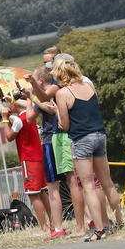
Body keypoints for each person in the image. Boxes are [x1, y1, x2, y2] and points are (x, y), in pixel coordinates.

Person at [52, 56, 124, 240]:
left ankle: (99, 230)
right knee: (107, 183)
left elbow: (66, 125)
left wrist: (59, 117)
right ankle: (119, 220)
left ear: (60, 74)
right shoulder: (90, 87)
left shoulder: (62, 93)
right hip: (100, 135)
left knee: (89, 186)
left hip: (82, 139)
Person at [29, 46, 88, 238]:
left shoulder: (59, 82)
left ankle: (77, 225)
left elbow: (45, 103)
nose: (48, 66)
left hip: (61, 134)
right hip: (58, 134)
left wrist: (31, 94)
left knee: (73, 181)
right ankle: (78, 223)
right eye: (45, 62)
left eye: (51, 61)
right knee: (74, 181)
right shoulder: (76, 81)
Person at [1, 96, 53, 238]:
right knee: (42, 191)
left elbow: (10, 136)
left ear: (15, 105)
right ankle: (53, 223)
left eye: (10, 105)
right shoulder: (29, 115)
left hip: (28, 159)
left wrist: (5, 118)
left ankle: (44, 227)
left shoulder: (19, 120)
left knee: (32, 193)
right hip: (38, 156)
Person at [25, 65, 66, 237]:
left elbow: (29, 117)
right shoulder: (58, 91)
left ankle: (57, 227)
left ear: (40, 81)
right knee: (75, 182)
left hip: (50, 140)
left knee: (52, 186)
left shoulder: (45, 94)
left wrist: (30, 98)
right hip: (64, 137)